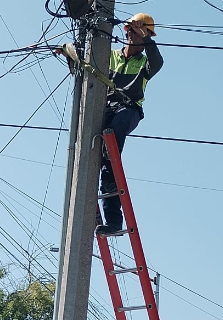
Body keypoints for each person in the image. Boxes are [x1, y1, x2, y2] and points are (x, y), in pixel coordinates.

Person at [57, 13, 164, 235]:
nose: (141, 38)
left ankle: (114, 216)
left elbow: (158, 62)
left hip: (129, 109)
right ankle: (103, 215)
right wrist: (68, 53)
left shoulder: (145, 63)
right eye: (137, 32)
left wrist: (147, 38)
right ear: (127, 33)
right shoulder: (109, 56)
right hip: (103, 109)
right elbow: (88, 66)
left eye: (146, 34)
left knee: (114, 133)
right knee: (97, 164)